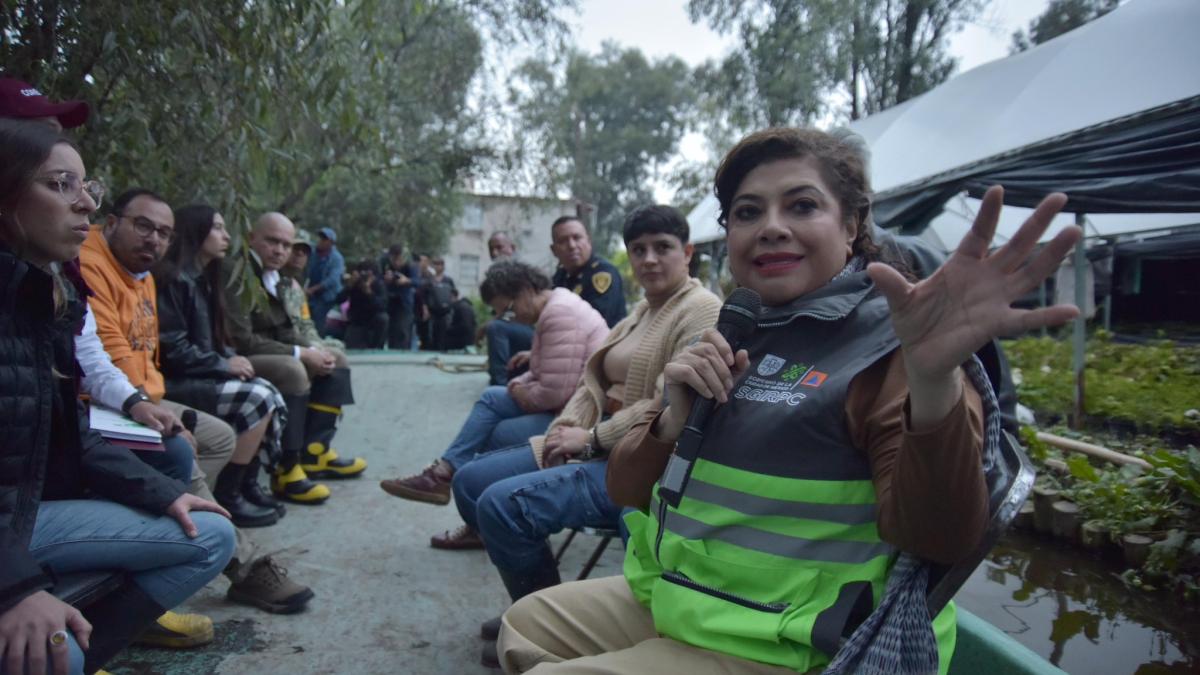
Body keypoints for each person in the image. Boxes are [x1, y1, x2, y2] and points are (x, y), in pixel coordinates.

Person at [496, 128, 1084, 675]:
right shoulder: (738, 329)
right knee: (523, 627)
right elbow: (625, 490)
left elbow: (940, 540)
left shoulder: (898, 347)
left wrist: (933, 378)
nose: (771, 227)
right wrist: (672, 417)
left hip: (798, 642)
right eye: (748, 212)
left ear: (852, 224)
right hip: (690, 598)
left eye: (802, 206)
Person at [0, 118, 236, 675]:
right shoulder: (73, 283)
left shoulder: (47, 295)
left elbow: (69, 433)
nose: (81, 203)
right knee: (189, 441)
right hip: (13, 537)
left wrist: (163, 497)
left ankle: (86, 649)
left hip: (26, 513)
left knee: (209, 530)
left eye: (87, 187)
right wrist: (16, 589)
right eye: (60, 184)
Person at [453, 205, 721, 667]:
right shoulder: (640, 311)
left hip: (637, 461)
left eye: (663, 248)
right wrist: (565, 431)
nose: (649, 260)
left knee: (500, 505)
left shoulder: (702, 311)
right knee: (470, 482)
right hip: (592, 442)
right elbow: (590, 382)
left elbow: (666, 405)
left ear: (688, 252)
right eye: (638, 250)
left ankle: (554, 629)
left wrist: (593, 439)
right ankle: (539, 607)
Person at [79, 190, 314, 616]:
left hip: (139, 395)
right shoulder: (88, 266)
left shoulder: (143, 273)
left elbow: (139, 354)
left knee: (219, 437)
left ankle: (180, 535)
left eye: (163, 233)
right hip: (104, 404)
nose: (153, 239)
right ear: (111, 224)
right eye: (143, 226)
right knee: (179, 447)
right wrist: (148, 407)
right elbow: (107, 359)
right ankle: (239, 563)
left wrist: (150, 403)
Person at [381, 260, 610, 549]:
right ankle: (446, 476)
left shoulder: (559, 314)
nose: (509, 319)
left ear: (527, 290)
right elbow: (547, 376)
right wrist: (520, 383)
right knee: (492, 397)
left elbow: (553, 394)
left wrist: (517, 386)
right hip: (570, 402)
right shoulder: (555, 306)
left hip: (582, 416)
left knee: (497, 433)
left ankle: (475, 512)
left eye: (510, 310)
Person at [153, 204, 289, 529]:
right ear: (195, 231)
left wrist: (228, 357)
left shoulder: (203, 278)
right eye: (217, 228)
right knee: (257, 398)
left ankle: (245, 484)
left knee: (265, 388)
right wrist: (223, 364)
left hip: (196, 371)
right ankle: (230, 495)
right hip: (174, 380)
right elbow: (172, 349)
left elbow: (210, 339)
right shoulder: (174, 279)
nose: (226, 236)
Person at [223, 212, 367, 504]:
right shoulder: (237, 270)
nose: (280, 251)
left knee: (335, 358)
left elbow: (288, 331)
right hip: (237, 355)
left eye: (286, 245)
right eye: (272, 241)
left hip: (267, 350)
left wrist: (315, 350)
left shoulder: (278, 277)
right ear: (252, 238)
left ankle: (314, 452)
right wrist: (302, 354)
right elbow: (242, 339)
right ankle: (286, 469)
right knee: (293, 370)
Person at [550, 216, 626, 328]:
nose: (572, 245)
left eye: (577, 238)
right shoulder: (560, 276)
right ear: (554, 250)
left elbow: (596, 321)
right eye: (563, 241)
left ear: (588, 241)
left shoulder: (602, 273)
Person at [482, 232, 535, 385]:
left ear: (512, 248)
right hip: (520, 329)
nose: (494, 253)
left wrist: (489, 323)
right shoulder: (497, 274)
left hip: (534, 329)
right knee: (497, 327)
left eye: (499, 247)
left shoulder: (521, 273)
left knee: (496, 328)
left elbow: (523, 312)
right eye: (491, 249)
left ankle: (498, 385)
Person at [336, 259, 388, 349]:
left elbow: (382, 306)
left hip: (373, 320)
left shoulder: (378, 285)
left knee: (383, 319)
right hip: (357, 320)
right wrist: (350, 286)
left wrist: (369, 292)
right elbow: (339, 299)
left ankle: (377, 347)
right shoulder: (354, 284)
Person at [305, 226, 344, 336]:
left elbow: (333, 280)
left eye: (324, 239)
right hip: (311, 295)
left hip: (328, 296)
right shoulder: (312, 253)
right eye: (320, 238)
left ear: (331, 242)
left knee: (318, 316)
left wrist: (313, 289)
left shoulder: (337, 258)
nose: (320, 241)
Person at [379, 243, 418, 350]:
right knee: (390, 330)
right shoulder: (384, 263)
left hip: (404, 302)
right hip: (389, 301)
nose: (396, 262)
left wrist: (407, 281)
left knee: (402, 330)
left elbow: (418, 282)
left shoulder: (411, 265)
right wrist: (385, 279)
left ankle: (403, 351)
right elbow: (377, 279)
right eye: (394, 259)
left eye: (399, 259)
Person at [420, 256, 457, 351]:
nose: (438, 267)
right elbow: (424, 297)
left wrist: (452, 306)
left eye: (440, 264)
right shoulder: (429, 281)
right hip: (433, 312)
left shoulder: (448, 280)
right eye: (436, 264)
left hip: (446, 312)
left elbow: (454, 294)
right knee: (431, 335)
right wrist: (425, 310)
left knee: (444, 334)